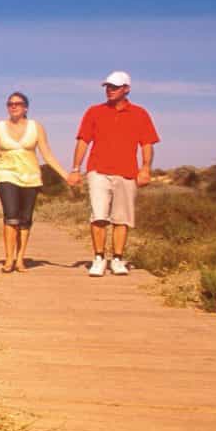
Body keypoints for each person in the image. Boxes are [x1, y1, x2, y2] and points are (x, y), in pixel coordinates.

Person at [72, 70, 160, 277]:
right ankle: (99, 258)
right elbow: (83, 140)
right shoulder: (94, 111)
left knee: (122, 218)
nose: (110, 90)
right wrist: (76, 168)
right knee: (99, 216)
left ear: (126, 89)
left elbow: (147, 143)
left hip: (127, 172)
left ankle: (118, 259)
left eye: (115, 87)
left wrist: (145, 168)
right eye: (108, 87)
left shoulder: (140, 113)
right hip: (98, 170)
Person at [0, 91, 77, 272]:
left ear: (25, 107)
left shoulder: (36, 127)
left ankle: (20, 259)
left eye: (17, 103)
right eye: (10, 103)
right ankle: (9, 259)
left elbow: (47, 154)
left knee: (25, 219)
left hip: (30, 176)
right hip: (6, 174)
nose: (13, 106)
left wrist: (66, 175)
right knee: (11, 216)